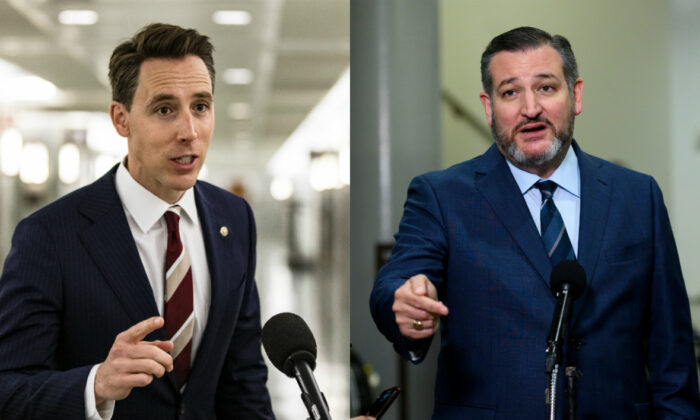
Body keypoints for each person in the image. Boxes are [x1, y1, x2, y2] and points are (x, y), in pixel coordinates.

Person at [370, 26, 700, 418]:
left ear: (575, 95)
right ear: (489, 106)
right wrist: (403, 301)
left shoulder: (637, 196)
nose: (530, 108)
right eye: (510, 92)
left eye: (545, 88)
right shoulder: (442, 196)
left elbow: (673, 357)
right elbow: (397, 282)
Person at [0, 23, 274, 419]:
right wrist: (95, 384)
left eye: (200, 106)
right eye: (165, 109)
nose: (189, 131)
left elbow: (244, 381)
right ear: (121, 119)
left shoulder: (234, 220)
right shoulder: (50, 236)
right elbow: (9, 387)